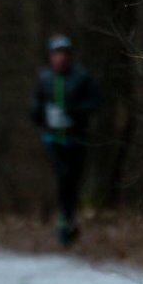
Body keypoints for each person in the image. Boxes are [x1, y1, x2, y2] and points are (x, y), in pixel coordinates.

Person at [30, 35, 102, 246]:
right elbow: (35, 108)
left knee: (73, 181)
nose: (59, 58)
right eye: (56, 54)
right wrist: (43, 114)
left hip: (77, 139)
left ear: (69, 56)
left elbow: (96, 103)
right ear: (51, 56)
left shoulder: (82, 78)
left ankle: (69, 218)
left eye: (63, 54)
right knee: (63, 175)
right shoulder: (45, 80)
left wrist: (73, 112)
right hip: (53, 139)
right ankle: (64, 221)